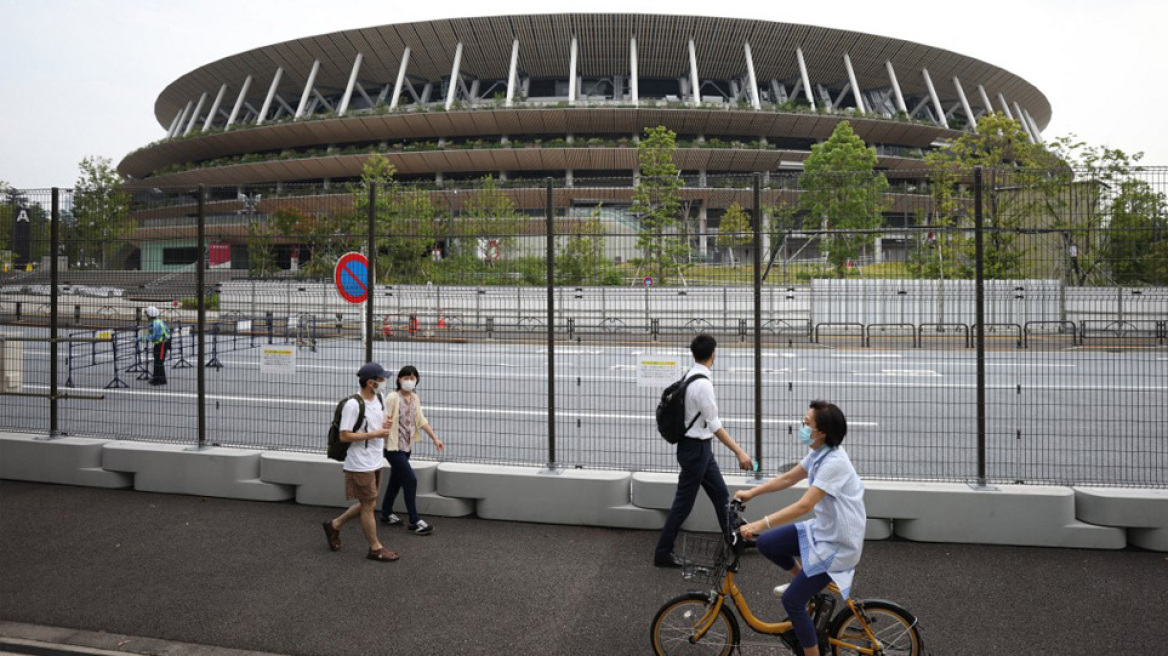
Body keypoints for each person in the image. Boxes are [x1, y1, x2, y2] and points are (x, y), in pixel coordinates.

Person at [737, 400, 866, 656]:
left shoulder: (834, 463)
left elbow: (803, 506)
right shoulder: (819, 453)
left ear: (822, 433)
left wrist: (760, 523)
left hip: (838, 545)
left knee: (792, 601)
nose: (802, 427)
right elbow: (788, 478)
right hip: (823, 530)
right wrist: (751, 493)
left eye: (807, 424)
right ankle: (804, 581)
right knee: (767, 543)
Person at [654, 333, 753, 568]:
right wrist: (740, 452)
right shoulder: (703, 384)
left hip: (698, 449)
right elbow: (715, 425)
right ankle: (662, 552)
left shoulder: (691, 374)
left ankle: (734, 538)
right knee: (683, 504)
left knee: (720, 494)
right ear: (713, 354)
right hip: (696, 450)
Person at [322, 362, 400, 562]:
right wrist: (375, 433)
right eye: (381, 379)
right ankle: (375, 548)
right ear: (370, 382)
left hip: (375, 459)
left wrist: (385, 426)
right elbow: (344, 435)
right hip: (359, 462)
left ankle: (335, 525)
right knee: (368, 505)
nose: (384, 382)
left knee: (370, 502)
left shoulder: (379, 398)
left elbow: (377, 425)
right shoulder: (353, 404)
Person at [379, 365, 445, 534]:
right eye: (405, 377)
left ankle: (386, 513)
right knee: (410, 480)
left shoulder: (415, 398)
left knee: (396, 481)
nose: (409, 381)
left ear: (417, 380)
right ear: (399, 379)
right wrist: (382, 425)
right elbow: (381, 417)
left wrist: (435, 438)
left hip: (406, 447)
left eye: (412, 378)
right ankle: (414, 520)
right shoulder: (393, 397)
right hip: (392, 448)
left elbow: (421, 420)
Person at [142, 306, 170, 386]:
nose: (146, 317)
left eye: (147, 315)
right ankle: (157, 378)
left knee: (159, 361)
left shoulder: (154, 324)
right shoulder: (160, 321)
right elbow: (167, 331)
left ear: (150, 315)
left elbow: (154, 336)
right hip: (162, 343)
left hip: (161, 344)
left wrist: (142, 338)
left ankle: (160, 379)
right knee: (158, 361)